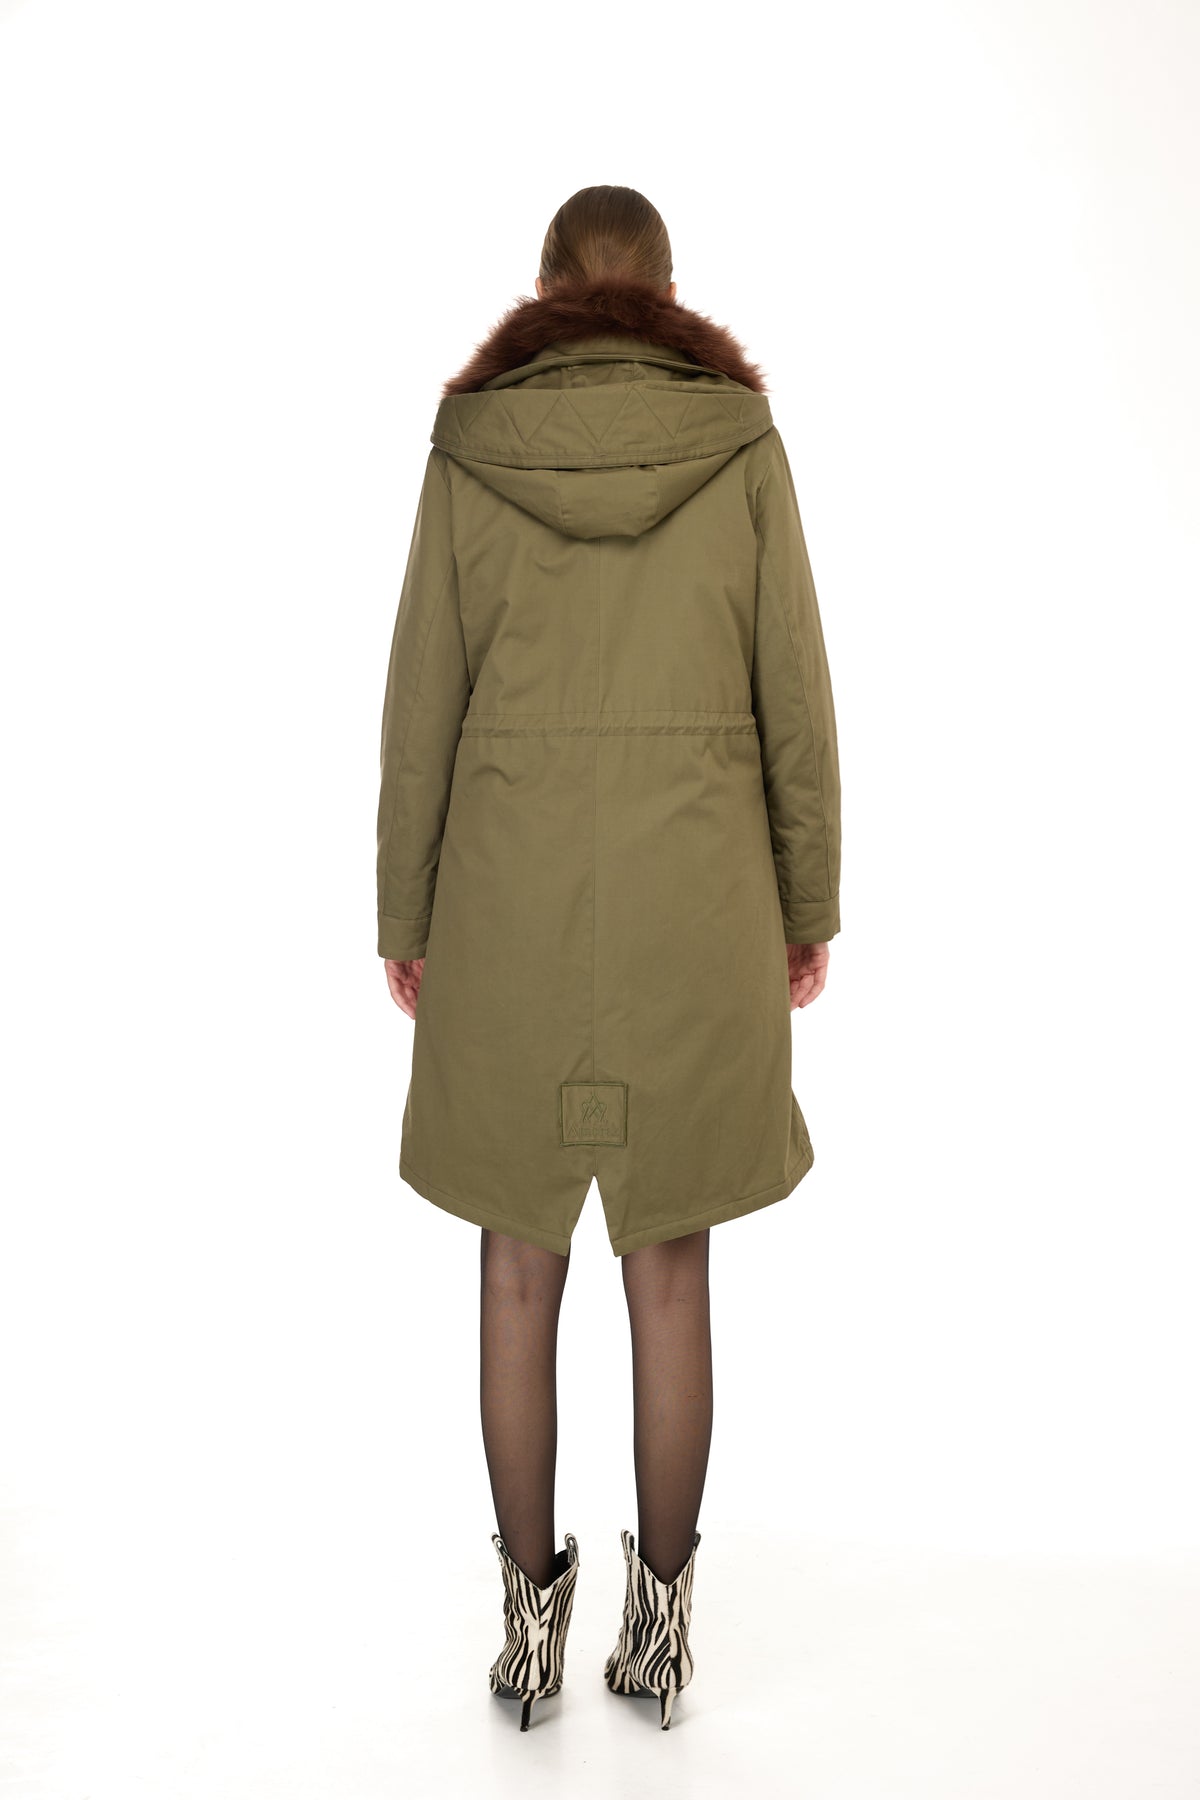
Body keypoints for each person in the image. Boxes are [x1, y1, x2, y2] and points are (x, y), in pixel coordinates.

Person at [375, 185, 842, 1730]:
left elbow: (420, 711)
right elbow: (796, 699)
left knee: (516, 1266)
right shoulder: (741, 447)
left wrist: (406, 919)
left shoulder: (470, 449)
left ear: (543, 292)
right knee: (673, 1272)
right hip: (692, 911)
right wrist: (805, 905)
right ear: (666, 295)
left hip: (507, 908)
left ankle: (528, 1640)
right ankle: (658, 1636)